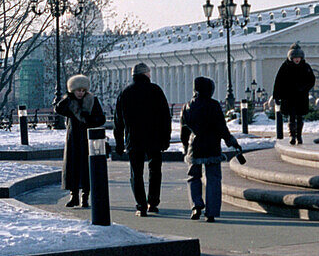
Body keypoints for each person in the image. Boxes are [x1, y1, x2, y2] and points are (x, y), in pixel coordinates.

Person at [180, 77, 242, 223]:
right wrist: (231, 141)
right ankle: (211, 212)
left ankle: (196, 205)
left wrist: (185, 147)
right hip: (212, 146)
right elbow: (221, 127)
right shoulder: (213, 105)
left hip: (194, 147)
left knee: (193, 177)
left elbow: (184, 131)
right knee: (213, 178)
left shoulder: (187, 106)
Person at [114, 62, 172, 216]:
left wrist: (119, 143)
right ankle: (152, 203)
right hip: (154, 138)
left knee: (136, 172)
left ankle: (140, 205)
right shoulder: (156, 90)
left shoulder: (125, 93)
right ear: (147, 74)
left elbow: (118, 121)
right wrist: (166, 138)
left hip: (134, 139)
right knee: (155, 170)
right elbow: (165, 117)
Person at [54, 74, 106, 208]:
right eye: (78, 90)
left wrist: (89, 119)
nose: (81, 93)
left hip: (87, 139)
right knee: (73, 167)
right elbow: (58, 109)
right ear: (72, 90)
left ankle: (85, 196)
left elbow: (101, 119)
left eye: (83, 90)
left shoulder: (92, 100)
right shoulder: (70, 102)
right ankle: (74, 195)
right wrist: (68, 97)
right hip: (73, 139)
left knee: (86, 168)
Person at [272, 43, 315, 145]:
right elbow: (278, 81)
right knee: (291, 117)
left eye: (298, 57)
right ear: (291, 57)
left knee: (299, 117)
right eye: (295, 57)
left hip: (301, 96)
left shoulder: (305, 67)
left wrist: (304, 88)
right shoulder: (285, 67)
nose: (297, 59)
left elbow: (311, 80)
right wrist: (276, 96)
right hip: (289, 97)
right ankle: (292, 136)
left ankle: (299, 136)